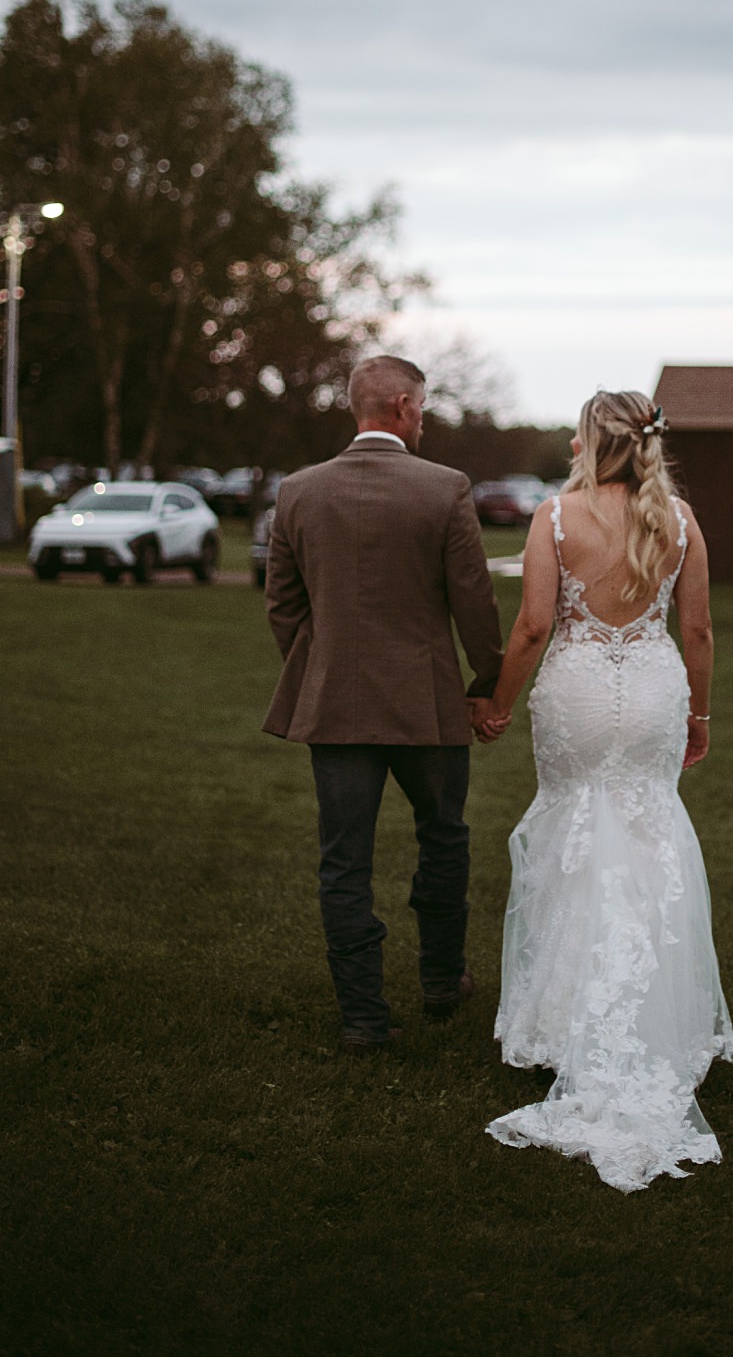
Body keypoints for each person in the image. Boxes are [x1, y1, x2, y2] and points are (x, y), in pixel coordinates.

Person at [479, 389, 733, 1192]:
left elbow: (530, 627)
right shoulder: (680, 519)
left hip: (580, 690)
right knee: (650, 835)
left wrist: (495, 701)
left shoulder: (556, 516)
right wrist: (698, 713)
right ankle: (657, 1018)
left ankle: (562, 1022)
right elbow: (695, 630)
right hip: (655, 690)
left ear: (590, 440)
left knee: (571, 838)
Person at [262, 355, 504, 1049]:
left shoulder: (299, 491)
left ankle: (363, 1018)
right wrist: (485, 682)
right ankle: (439, 978)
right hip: (427, 705)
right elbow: (474, 603)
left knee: (344, 862)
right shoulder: (445, 488)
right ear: (400, 404)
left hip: (335, 706)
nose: (423, 418)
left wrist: (321, 670)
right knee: (444, 838)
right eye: (422, 406)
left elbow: (283, 607)